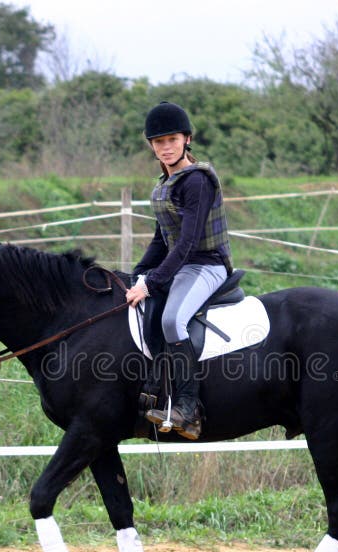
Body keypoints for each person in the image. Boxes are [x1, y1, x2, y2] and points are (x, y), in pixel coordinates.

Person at [125, 101, 233, 440]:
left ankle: (188, 408)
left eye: (172, 140)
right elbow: (162, 239)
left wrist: (153, 282)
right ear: (151, 146)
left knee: (172, 320)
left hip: (207, 264)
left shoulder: (197, 181)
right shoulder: (163, 183)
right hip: (182, 264)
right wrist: (138, 273)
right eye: (159, 142)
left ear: (187, 139)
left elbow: (186, 244)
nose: (166, 147)